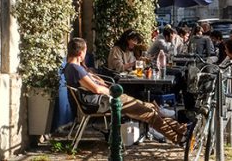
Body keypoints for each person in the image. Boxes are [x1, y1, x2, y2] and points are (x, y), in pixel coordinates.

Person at [64, 37, 192, 145]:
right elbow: (96, 89)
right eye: (86, 51)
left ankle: (182, 129)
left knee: (150, 107)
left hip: (107, 99)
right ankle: (179, 138)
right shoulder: (75, 69)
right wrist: (111, 90)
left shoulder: (74, 67)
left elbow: (96, 85)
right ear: (81, 53)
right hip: (104, 101)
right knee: (150, 113)